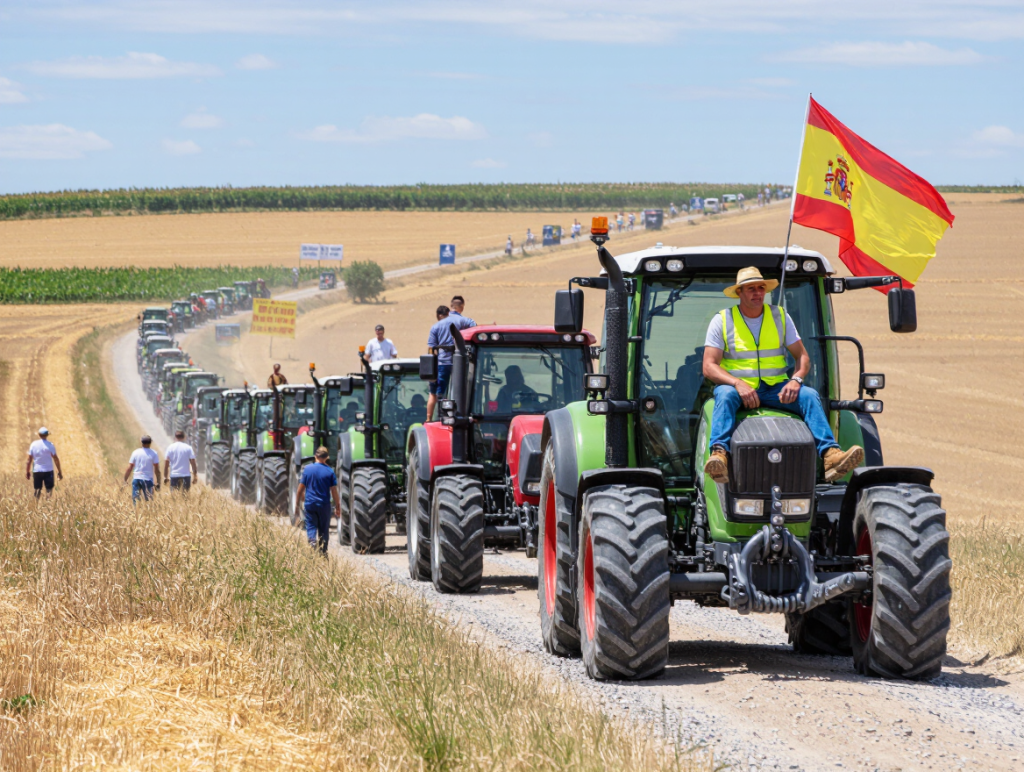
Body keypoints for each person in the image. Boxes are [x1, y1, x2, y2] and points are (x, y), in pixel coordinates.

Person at [701, 267, 863, 485]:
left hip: (776, 388)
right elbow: (709, 366)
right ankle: (719, 455)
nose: (757, 293)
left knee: (809, 395)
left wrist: (796, 380)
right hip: (738, 390)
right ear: (739, 293)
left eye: (761, 288)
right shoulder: (722, 320)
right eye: (751, 289)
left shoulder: (779, 316)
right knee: (724, 394)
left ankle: (830, 456)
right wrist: (737, 383)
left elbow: (803, 357)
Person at [295, 446, 341, 555]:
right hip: (324, 505)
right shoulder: (329, 471)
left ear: (315, 456)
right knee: (324, 529)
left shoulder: (307, 469)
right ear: (326, 457)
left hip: (310, 504)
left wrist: (297, 505)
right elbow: (334, 490)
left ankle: (312, 543)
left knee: (311, 525)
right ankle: (323, 552)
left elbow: (300, 489)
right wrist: (338, 506)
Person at [426, 305, 453, 421]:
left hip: (442, 363)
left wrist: (432, 369)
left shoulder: (435, 327)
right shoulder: (457, 324)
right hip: (459, 363)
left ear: (439, 315)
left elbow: (431, 348)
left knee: (436, 393)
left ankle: (432, 418)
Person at [26, 427, 62, 500]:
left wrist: (27, 471)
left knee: (37, 489)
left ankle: (36, 506)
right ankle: (48, 505)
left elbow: (29, 459)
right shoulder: (50, 445)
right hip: (48, 471)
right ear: (47, 435)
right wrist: (59, 471)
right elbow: (56, 459)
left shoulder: (33, 445)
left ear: (39, 435)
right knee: (49, 490)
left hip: (37, 471)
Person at [124, 435, 161, 504]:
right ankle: (146, 513)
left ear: (141, 442)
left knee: (135, 500)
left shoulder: (135, 452)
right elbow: (157, 470)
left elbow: (130, 468)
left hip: (137, 479)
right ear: (150, 443)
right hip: (148, 479)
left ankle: (136, 511)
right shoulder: (154, 454)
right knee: (148, 501)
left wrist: (125, 480)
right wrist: (158, 482)